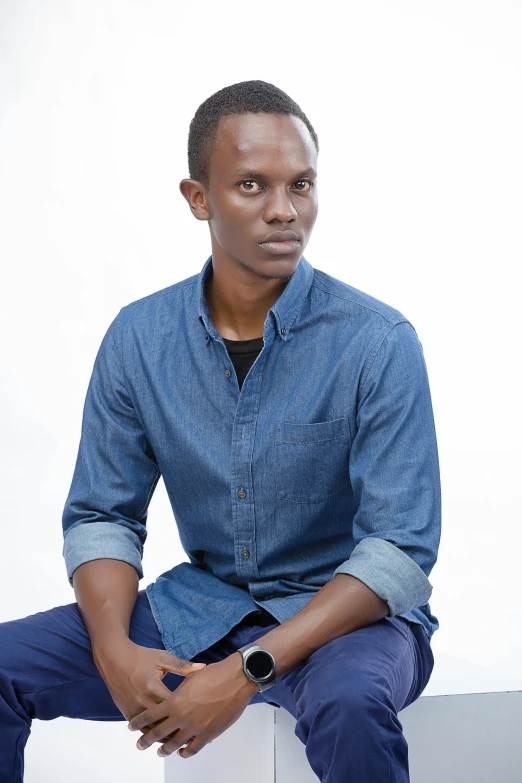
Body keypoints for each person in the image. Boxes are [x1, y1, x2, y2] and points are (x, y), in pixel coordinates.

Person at [0, 79, 441, 782]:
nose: (283, 210)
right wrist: (113, 647)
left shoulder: (378, 342)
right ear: (198, 198)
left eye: (301, 185)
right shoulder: (140, 338)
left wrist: (247, 669)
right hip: (202, 607)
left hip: (347, 622)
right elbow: (102, 514)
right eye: (250, 185)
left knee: (352, 703)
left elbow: (400, 548)